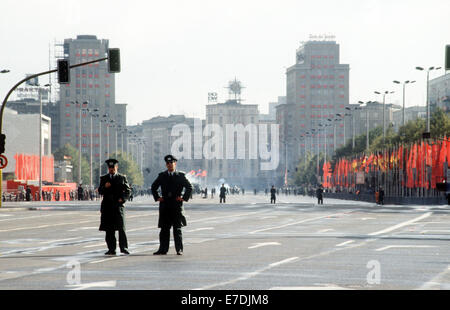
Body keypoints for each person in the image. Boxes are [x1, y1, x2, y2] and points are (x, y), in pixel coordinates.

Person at [151, 155, 192, 255]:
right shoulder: (162, 176)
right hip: (165, 205)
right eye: (168, 163)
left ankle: (179, 249)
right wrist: (157, 197)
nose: (169, 165)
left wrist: (183, 197)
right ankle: (163, 249)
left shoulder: (180, 176)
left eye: (171, 163)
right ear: (166, 164)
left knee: (177, 229)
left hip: (176, 205)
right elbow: (154, 186)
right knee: (164, 229)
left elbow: (189, 187)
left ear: (175, 163)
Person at [98, 158, 131, 255]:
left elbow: (128, 191)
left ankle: (124, 248)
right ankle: (111, 249)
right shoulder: (104, 178)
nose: (111, 169)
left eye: (113, 167)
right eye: (110, 167)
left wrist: (123, 199)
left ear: (116, 167)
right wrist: (105, 187)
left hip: (118, 206)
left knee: (121, 228)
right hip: (107, 207)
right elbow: (100, 191)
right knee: (109, 230)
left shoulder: (121, 178)